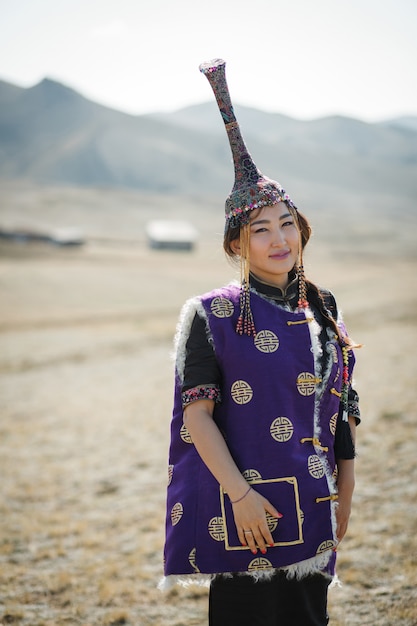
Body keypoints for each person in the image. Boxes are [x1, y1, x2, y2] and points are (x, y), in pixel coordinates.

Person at [160, 59, 361, 626]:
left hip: (315, 504)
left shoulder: (325, 309)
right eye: (261, 229)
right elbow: (196, 418)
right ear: (237, 244)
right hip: (244, 510)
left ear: (302, 229)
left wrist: (345, 490)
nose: (279, 239)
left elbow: (339, 409)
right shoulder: (210, 314)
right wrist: (242, 496)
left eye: (287, 223)